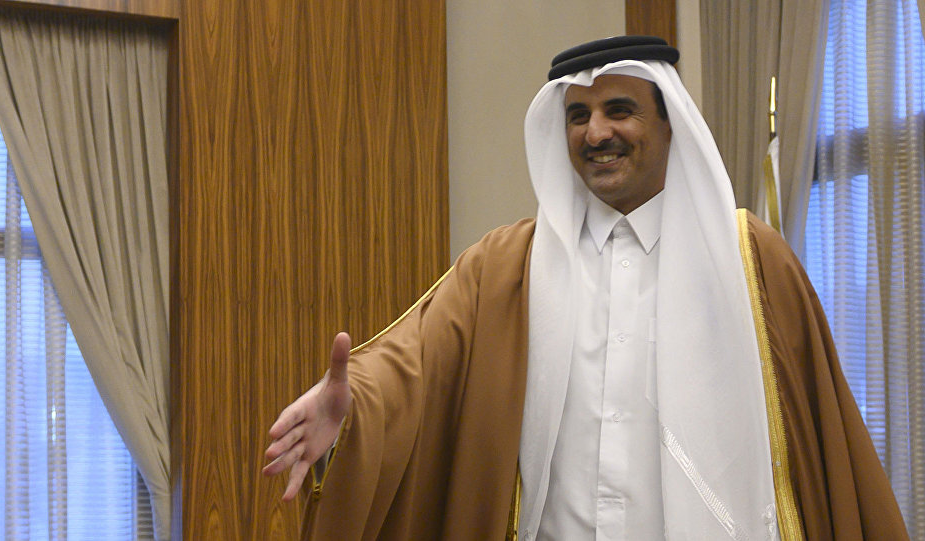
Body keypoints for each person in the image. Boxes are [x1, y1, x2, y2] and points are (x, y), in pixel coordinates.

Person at [262, 36, 909, 540]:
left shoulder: (750, 261)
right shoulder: (506, 267)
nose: (596, 133)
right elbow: (410, 366)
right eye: (578, 115)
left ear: (670, 124)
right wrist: (353, 410)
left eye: (619, 110)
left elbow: (826, 439)